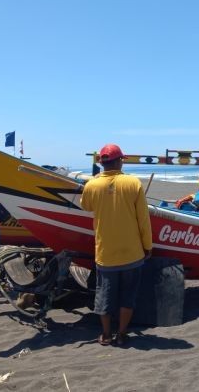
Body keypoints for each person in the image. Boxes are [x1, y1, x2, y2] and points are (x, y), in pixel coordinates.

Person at [80, 144, 152, 347]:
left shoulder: (92, 185)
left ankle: (105, 334)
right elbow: (143, 220)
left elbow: (86, 206)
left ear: (101, 164)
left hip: (106, 253)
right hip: (132, 252)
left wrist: (93, 184)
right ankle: (121, 334)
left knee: (104, 294)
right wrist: (147, 246)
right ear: (120, 161)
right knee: (128, 295)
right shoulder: (133, 183)